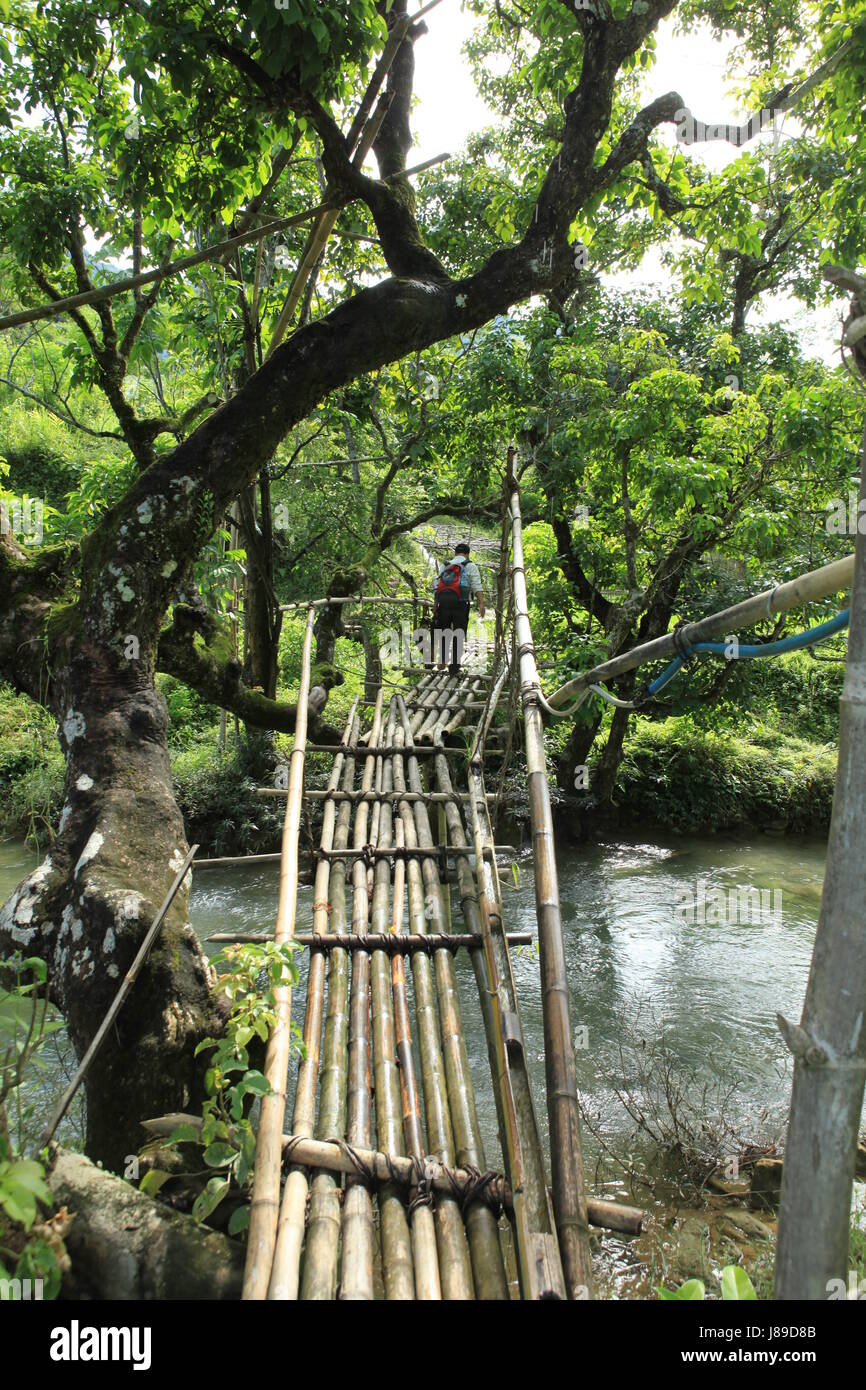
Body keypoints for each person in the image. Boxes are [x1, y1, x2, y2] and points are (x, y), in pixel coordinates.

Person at [430, 542, 485, 674]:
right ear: (467, 554)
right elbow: (476, 585)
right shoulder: (470, 565)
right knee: (459, 634)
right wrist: (482, 604)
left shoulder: (446, 564)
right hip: (461, 604)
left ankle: (442, 659)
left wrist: (435, 605)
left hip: (443, 604)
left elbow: (437, 586)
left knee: (444, 632)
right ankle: (454, 668)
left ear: (455, 553)